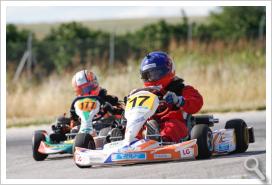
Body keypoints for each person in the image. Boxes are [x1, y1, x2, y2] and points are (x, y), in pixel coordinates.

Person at [139, 51, 203, 143]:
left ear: (168, 70)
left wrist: (179, 101)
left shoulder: (181, 89)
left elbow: (197, 102)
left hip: (175, 123)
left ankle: (163, 141)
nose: (151, 78)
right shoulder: (145, 93)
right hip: (150, 124)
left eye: (156, 74)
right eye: (148, 75)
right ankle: (128, 141)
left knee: (171, 126)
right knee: (135, 127)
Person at [50, 69, 123, 142]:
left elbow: (121, 112)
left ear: (94, 84)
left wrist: (112, 109)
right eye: (82, 90)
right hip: (84, 128)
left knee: (105, 132)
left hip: (103, 127)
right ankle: (64, 138)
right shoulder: (77, 103)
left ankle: (92, 142)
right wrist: (68, 124)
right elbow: (74, 120)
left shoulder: (107, 99)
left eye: (88, 88)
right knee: (67, 125)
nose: (87, 92)